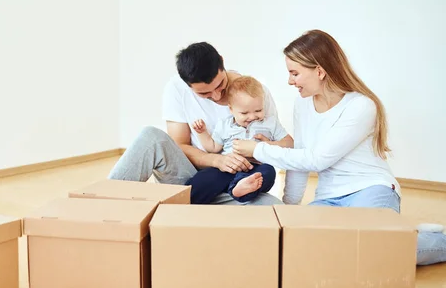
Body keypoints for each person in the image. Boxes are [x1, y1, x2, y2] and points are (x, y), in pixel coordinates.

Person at [232, 29, 446, 266]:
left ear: (320, 71)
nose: (290, 81)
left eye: (294, 73)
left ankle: (422, 240)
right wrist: (291, 210)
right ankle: (400, 233)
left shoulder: (361, 106)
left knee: (375, 253)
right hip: (328, 198)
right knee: (302, 250)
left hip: (369, 189)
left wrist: (257, 150)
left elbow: (317, 160)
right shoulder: (302, 104)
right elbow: (300, 159)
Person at [108, 41, 293, 205]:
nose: (217, 96)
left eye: (220, 85)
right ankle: (103, 200)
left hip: (236, 184)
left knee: (274, 209)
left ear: (222, 63)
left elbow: (278, 142)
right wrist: (218, 161)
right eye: (204, 94)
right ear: (187, 84)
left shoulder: (256, 93)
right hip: (191, 179)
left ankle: (186, 208)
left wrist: (262, 148)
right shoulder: (176, 89)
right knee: (150, 137)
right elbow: (179, 145)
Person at [186, 75, 288, 204]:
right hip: (228, 167)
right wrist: (202, 133)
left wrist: (267, 145)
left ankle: (239, 190)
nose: (252, 117)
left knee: (268, 172)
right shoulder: (224, 125)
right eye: (244, 113)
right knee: (205, 177)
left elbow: (290, 143)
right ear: (231, 109)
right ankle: (188, 199)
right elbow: (212, 147)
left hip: (255, 167)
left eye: (258, 110)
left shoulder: (270, 123)